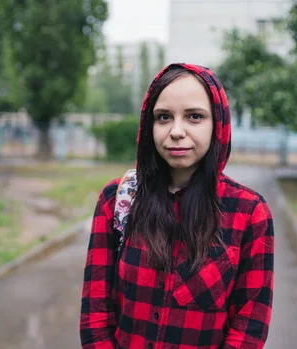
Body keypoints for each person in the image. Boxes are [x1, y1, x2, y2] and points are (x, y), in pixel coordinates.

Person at [79, 63, 275, 349]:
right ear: (150, 125)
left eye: (194, 116)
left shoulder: (249, 214)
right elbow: (95, 315)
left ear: (217, 123)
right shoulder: (117, 200)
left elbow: (250, 325)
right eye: (164, 117)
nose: (176, 131)